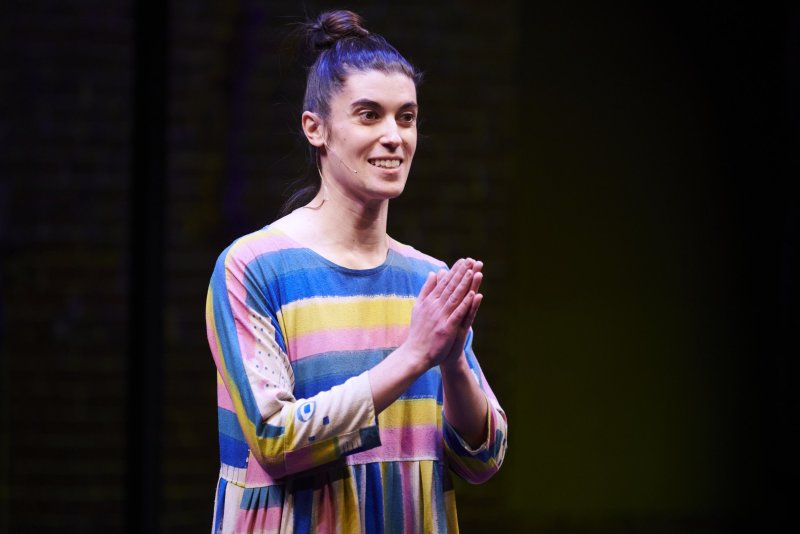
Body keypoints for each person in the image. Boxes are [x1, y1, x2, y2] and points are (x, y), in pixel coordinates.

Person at [206, 10, 507, 533]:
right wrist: (414, 356)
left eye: (406, 117)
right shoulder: (253, 267)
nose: (394, 136)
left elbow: (484, 458)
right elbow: (274, 438)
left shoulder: (426, 278)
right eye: (369, 115)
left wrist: (453, 361)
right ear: (315, 128)